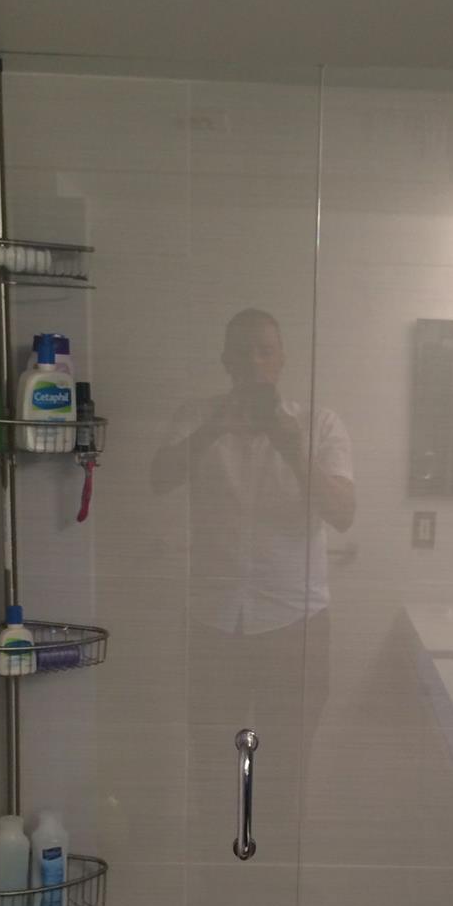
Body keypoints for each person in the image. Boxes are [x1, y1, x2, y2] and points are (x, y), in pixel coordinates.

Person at [151, 308, 354, 752]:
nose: (254, 362)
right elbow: (159, 479)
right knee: (209, 756)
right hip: (212, 619)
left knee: (289, 758)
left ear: (282, 359)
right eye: (242, 352)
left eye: (265, 351)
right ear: (226, 361)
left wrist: (293, 450)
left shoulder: (319, 424)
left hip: (296, 620)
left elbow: (342, 513)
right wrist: (212, 430)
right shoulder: (197, 417)